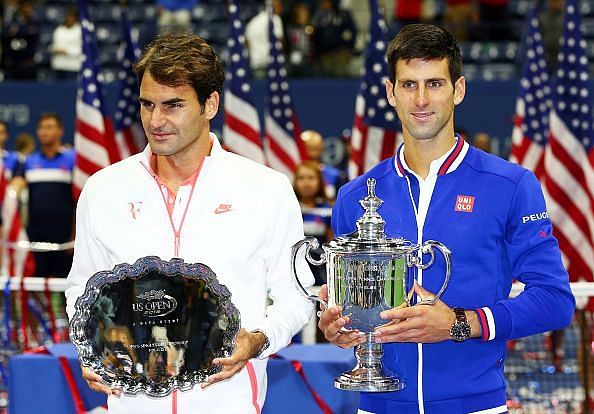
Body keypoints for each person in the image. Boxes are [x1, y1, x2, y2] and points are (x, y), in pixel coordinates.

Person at [318, 23, 575, 414]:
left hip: (476, 405)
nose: (421, 99)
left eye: (435, 83)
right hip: (379, 405)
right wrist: (338, 328)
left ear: (459, 89)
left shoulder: (510, 185)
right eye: (408, 85)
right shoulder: (356, 197)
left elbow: (555, 300)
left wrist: (459, 323)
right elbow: (346, 310)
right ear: (391, 93)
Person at [65, 32, 314, 413]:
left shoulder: (267, 190)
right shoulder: (102, 190)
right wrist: (90, 341)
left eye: (173, 105)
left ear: (210, 104)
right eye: (147, 105)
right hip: (132, 404)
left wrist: (258, 340)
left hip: (227, 402)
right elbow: (82, 286)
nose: (156, 120)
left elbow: (296, 295)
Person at [15, 113, 75, 278]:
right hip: (36, 235)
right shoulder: (28, 162)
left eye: (49, 127)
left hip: (65, 237)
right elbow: (14, 190)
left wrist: (75, 235)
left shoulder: (72, 160)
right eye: (41, 128)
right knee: (36, 285)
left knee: (66, 287)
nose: (44, 132)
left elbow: (79, 201)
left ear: (60, 131)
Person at [293, 160, 333, 285]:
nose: (306, 183)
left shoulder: (327, 209)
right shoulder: (290, 207)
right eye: (301, 178)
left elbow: (332, 242)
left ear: (320, 181)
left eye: (311, 178)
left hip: (319, 267)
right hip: (293, 265)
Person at [245, 0, 284, 79]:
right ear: (272, 6)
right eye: (279, 4)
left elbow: (246, 42)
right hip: (272, 65)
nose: (282, 7)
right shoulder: (275, 19)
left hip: (255, 64)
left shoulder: (253, 21)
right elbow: (280, 43)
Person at [300, 129, 344, 200]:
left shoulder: (333, 175)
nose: (312, 153)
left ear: (321, 149)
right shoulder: (290, 173)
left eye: (316, 148)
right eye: (308, 148)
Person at [50, 6, 82, 80]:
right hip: (58, 66)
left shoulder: (80, 31)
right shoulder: (59, 30)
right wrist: (54, 49)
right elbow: (54, 45)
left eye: (71, 17)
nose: (69, 19)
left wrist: (66, 51)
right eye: (68, 16)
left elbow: (81, 49)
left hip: (73, 67)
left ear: (75, 18)